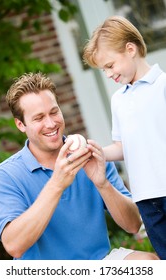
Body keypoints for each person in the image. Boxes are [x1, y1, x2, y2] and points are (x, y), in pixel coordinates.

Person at [0, 73, 158, 260]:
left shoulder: (89, 156)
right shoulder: (5, 176)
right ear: (21, 124)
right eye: (39, 118)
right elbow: (14, 246)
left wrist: (103, 184)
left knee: (149, 264)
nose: (50, 123)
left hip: (98, 265)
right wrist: (57, 184)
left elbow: (133, 224)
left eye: (54, 112)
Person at [83, 15, 166, 260]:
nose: (108, 74)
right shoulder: (118, 100)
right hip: (145, 199)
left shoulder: (162, 86)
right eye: (103, 69)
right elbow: (122, 146)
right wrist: (96, 151)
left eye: (110, 65)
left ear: (130, 49)